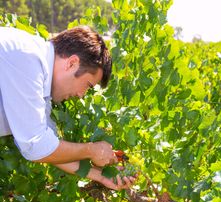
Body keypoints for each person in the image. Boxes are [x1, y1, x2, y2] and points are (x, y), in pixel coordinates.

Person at [0, 25, 136, 190]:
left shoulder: (40, 82)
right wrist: (91, 151)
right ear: (72, 63)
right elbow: (35, 145)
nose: (81, 95)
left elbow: (50, 148)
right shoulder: (28, 59)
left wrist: (101, 176)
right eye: (87, 85)